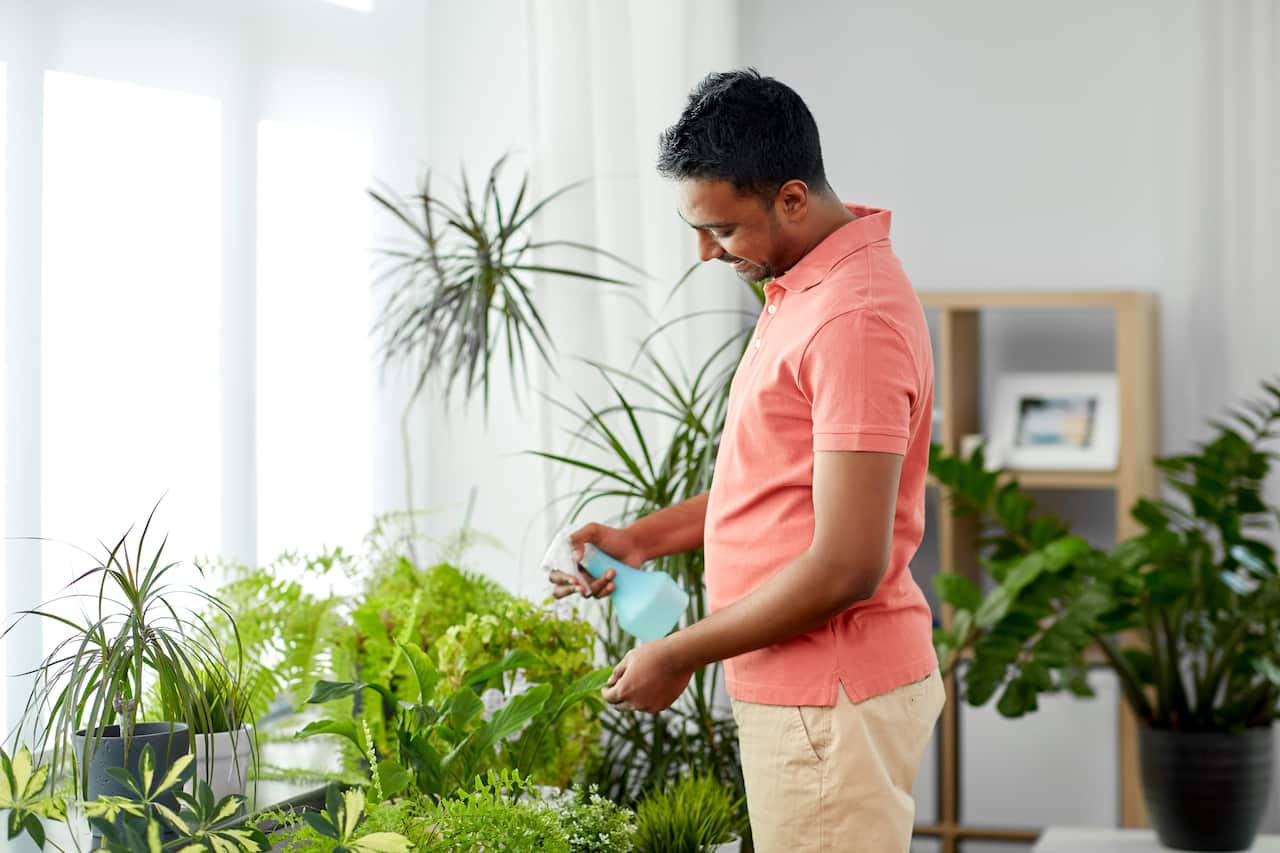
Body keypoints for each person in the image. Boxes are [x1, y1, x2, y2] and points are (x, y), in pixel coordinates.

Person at [549, 68, 944, 853]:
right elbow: (775, 487)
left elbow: (845, 564)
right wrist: (640, 540)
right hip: (809, 696)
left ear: (791, 199)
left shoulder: (851, 321)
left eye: (722, 230)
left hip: (826, 698)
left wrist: (676, 652)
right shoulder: (804, 286)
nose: (705, 252)